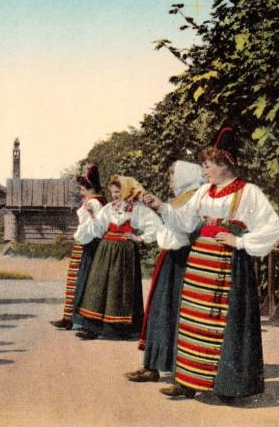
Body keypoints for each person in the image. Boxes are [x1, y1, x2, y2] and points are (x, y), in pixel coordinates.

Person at [143, 127, 279, 401]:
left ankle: (226, 386)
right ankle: (187, 382)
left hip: (229, 265)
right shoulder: (204, 192)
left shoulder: (248, 192)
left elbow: (273, 226)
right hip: (200, 264)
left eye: (208, 165)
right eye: (203, 165)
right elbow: (185, 221)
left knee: (224, 323)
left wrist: (240, 241)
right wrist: (160, 206)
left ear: (225, 164)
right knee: (193, 318)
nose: (204, 170)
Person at [126, 160, 205, 383]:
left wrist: (160, 207)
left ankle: (169, 366)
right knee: (160, 311)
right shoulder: (181, 198)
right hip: (171, 257)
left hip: (182, 260)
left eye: (172, 177)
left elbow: (184, 226)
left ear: (183, 177)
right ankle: (153, 365)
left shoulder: (194, 198)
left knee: (170, 312)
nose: (170, 182)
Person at [76, 176, 162, 340]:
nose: (115, 195)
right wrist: (93, 216)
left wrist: (139, 238)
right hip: (105, 249)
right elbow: (99, 228)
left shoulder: (136, 208)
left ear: (127, 191)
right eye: (113, 192)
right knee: (98, 284)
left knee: (119, 287)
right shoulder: (108, 207)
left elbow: (156, 224)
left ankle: (116, 329)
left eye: (118, 191)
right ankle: (92, 327)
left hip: (124, 251)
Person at [49, 164, 107, 330]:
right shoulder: (93, 201)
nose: (81, 193)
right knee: (75, 280)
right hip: (84, 243)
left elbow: (94, 228)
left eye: (82, 189)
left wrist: (80, 238)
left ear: (90, 189)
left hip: (87, 245)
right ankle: (69, 317)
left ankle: (77, 319)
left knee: (82, 280)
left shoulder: (94, 203)